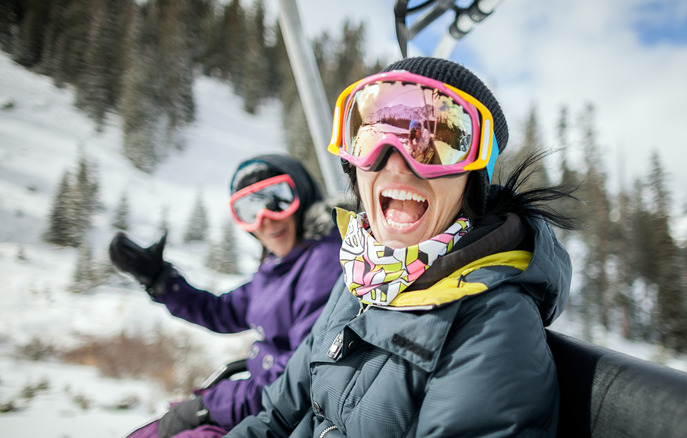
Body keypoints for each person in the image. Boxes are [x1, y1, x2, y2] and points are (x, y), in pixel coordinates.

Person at [225, 57, 577, 437]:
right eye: (373, 134)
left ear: (472, 180)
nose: (397, 163)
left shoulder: (493, 327)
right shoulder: (357, 279)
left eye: (434, 141)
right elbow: (275, 417)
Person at [109, 154, 343, 438]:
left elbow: (299, 377)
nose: (266, 219)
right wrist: (162, 281)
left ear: (303, 199)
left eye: (278, 200)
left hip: (282, 415)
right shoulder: (278, 269)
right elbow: (222, 311)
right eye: (249, 209)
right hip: (260, 402)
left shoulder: (322, 262)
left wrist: (210, 405)